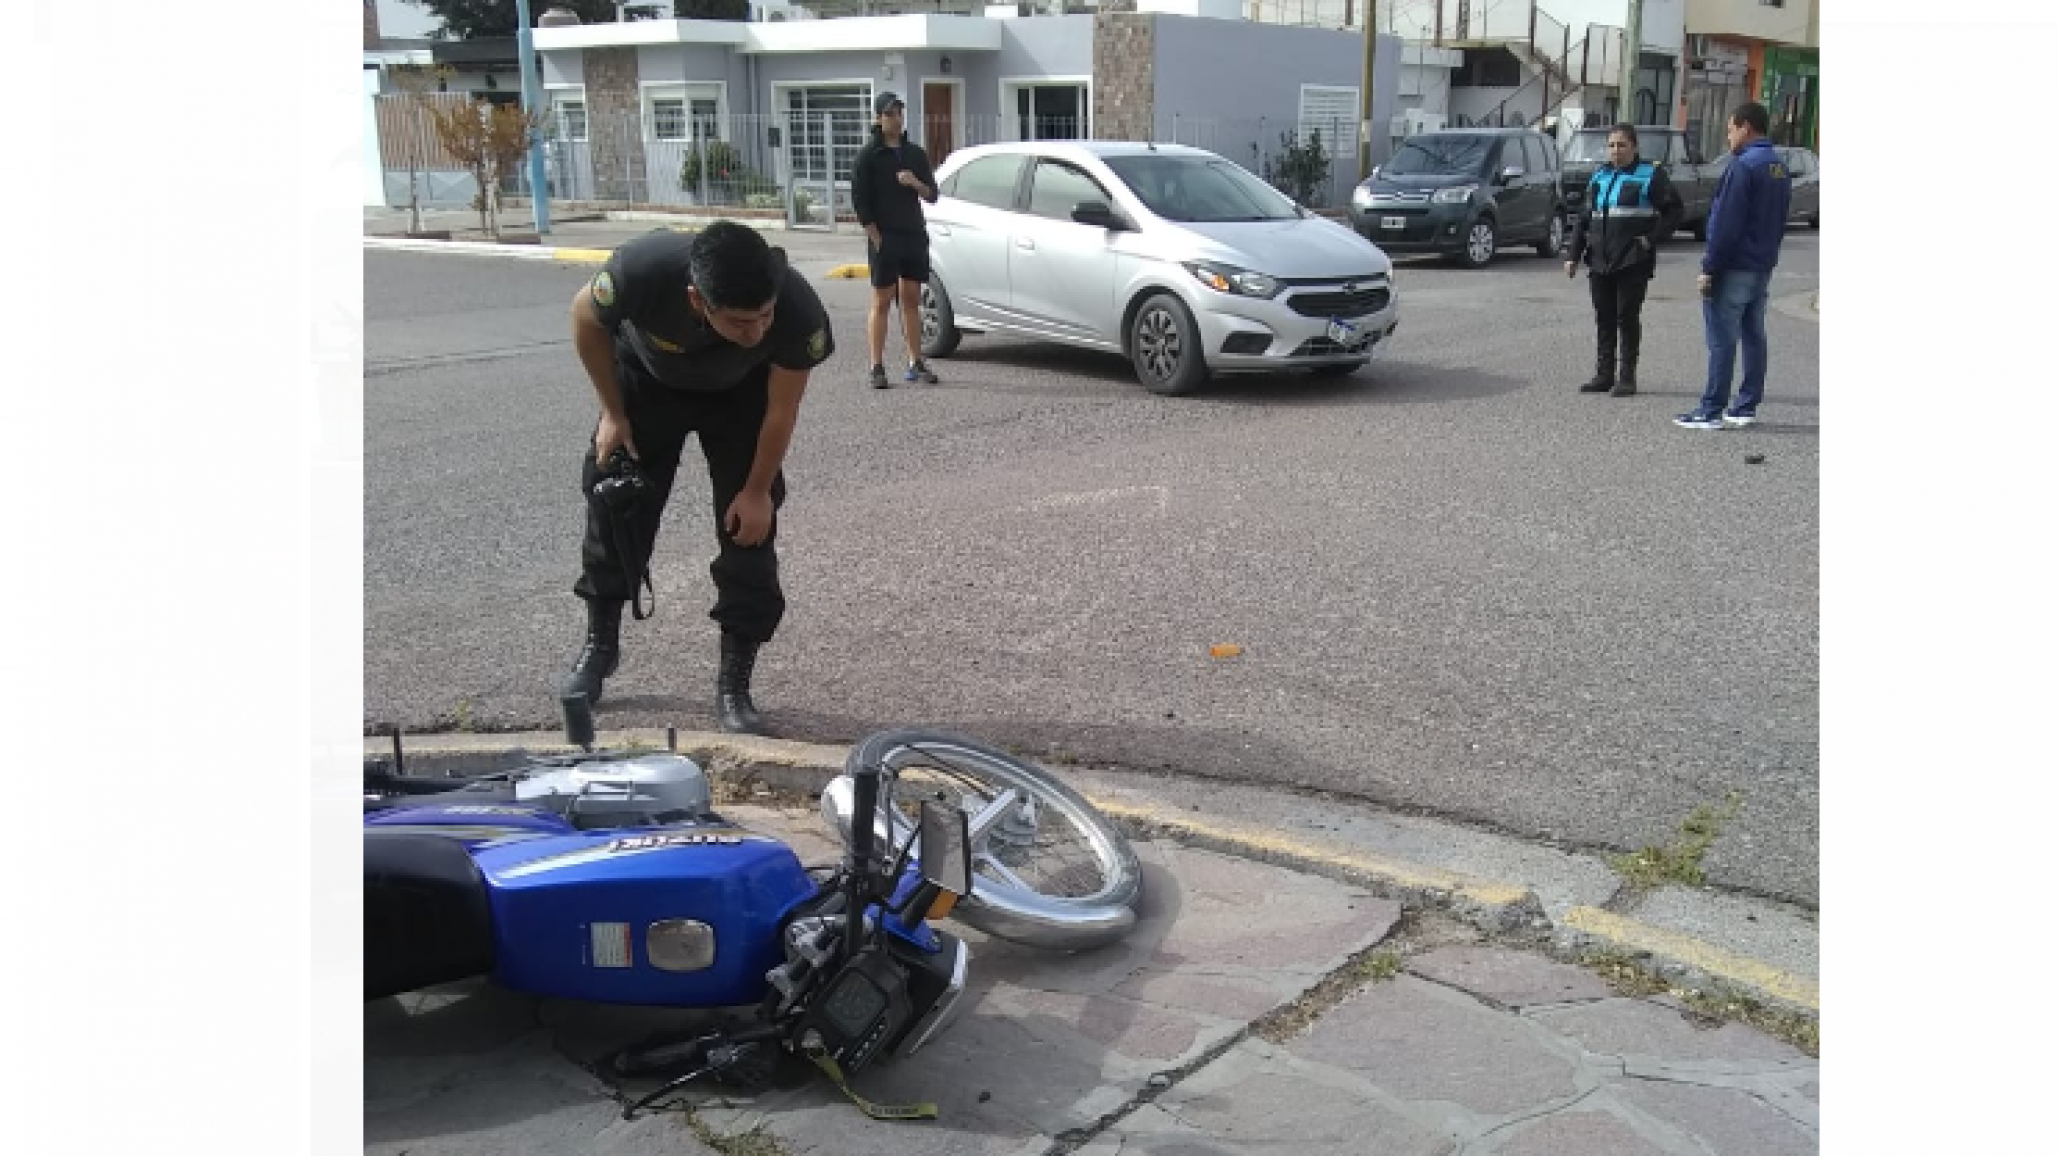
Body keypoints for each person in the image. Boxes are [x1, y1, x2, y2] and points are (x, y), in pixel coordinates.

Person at [559, 221, 835, 735]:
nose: (756, 332)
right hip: (647, 383)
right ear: (696, 300)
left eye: (763, 317)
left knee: (749, 532)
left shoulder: (797, 309)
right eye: (738, 322)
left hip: (740, 397)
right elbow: (584, 318)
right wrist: (612, 414)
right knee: (616, 505)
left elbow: (782, 410)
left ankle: (735, 684)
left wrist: (755, 492)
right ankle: (600, 647)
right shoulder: (641, 271)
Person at [1676, 101, 1792, 430]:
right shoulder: (1778, 167)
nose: (1728, 137)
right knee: (1753, 333)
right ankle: (1745, 405)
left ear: (1745, 127)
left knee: (1721, 338)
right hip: (1762, 264)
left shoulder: (1743, 166)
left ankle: (1710, 409)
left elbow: (1726, 222)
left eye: (1730, 129)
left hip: (1735, 264)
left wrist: (1709, 267)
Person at [1565, 123, 1683, 398]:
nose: (1615, 151)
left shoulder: (1650, 174)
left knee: (1626, 317)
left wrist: (1649, 240)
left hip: (1632, 260)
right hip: (1599, 260)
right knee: (1604, 318)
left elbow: (1674, 211)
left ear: (1634, 147)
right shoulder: (1599, 176)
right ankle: (1604, 374)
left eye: (1621, 145)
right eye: (1611, 145)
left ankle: (1627, 376)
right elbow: (1585, 219)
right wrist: (1573, 255)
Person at [850, 90, 940, 390]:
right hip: (885, 238)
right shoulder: (868, 156)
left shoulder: (915, 154)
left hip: (913, 234)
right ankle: (876, 365)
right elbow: (860, 204)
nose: (897, 118)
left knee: (911, 300)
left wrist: (914, 182)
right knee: (882, 301)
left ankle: (916, 360)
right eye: (890, 113)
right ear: (878, 118)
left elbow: (933, 194)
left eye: (899, 112)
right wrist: (876, 239)